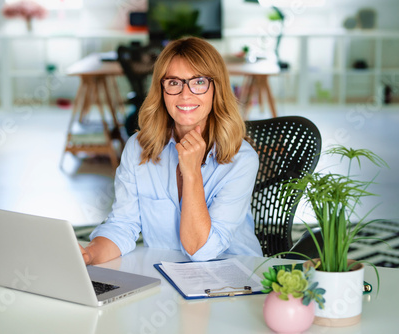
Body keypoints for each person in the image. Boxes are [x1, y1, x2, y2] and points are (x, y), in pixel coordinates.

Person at [80, 36, 263, 265]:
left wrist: (192, 172)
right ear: (162, 90)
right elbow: (123, 225)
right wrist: (90, 254)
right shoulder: (139, 148)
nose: (185, 94)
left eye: (198, 82)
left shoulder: (241, 158)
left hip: (234, 279)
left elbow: (201, 251)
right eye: (174, 82)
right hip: (167, 275)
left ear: (217, 88)